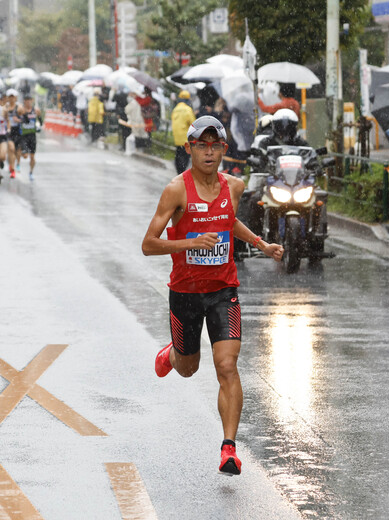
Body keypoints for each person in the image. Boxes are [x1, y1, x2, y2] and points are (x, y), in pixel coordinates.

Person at [141, 116, 284, 476]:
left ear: (223, 149)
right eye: (201, 146)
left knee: (226, 365)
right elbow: (148, 244)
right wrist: (190, 241)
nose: (208, 152)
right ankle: (172, 354)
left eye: (215, 146)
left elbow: (228, 221)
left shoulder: (233, 186)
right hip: (185, 292)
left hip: (223, 290)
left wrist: (260, 244)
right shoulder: (176, 190)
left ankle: (229, 449)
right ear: (189, 149)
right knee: (189, 368)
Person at [17, 94, 42, 181]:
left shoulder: (36, 110)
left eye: (29, 100)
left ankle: (31, 172)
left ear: (32, 100)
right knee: (25, 155)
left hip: (32, 135)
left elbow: (40, 121)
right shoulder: (21, 110)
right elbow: (18, 114)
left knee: (32, 156)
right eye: (26, 100)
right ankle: (18, 160)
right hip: (24, 135)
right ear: (24, 101)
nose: (28, 102)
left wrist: (39, 126)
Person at [171, 90, 196, 173]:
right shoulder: (188, 110)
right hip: (185, 137)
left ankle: (178, 171)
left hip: (177, 137)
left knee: (178, 154)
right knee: (185, 156)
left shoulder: (175, 109)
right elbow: (193, 124)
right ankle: (181, 172)